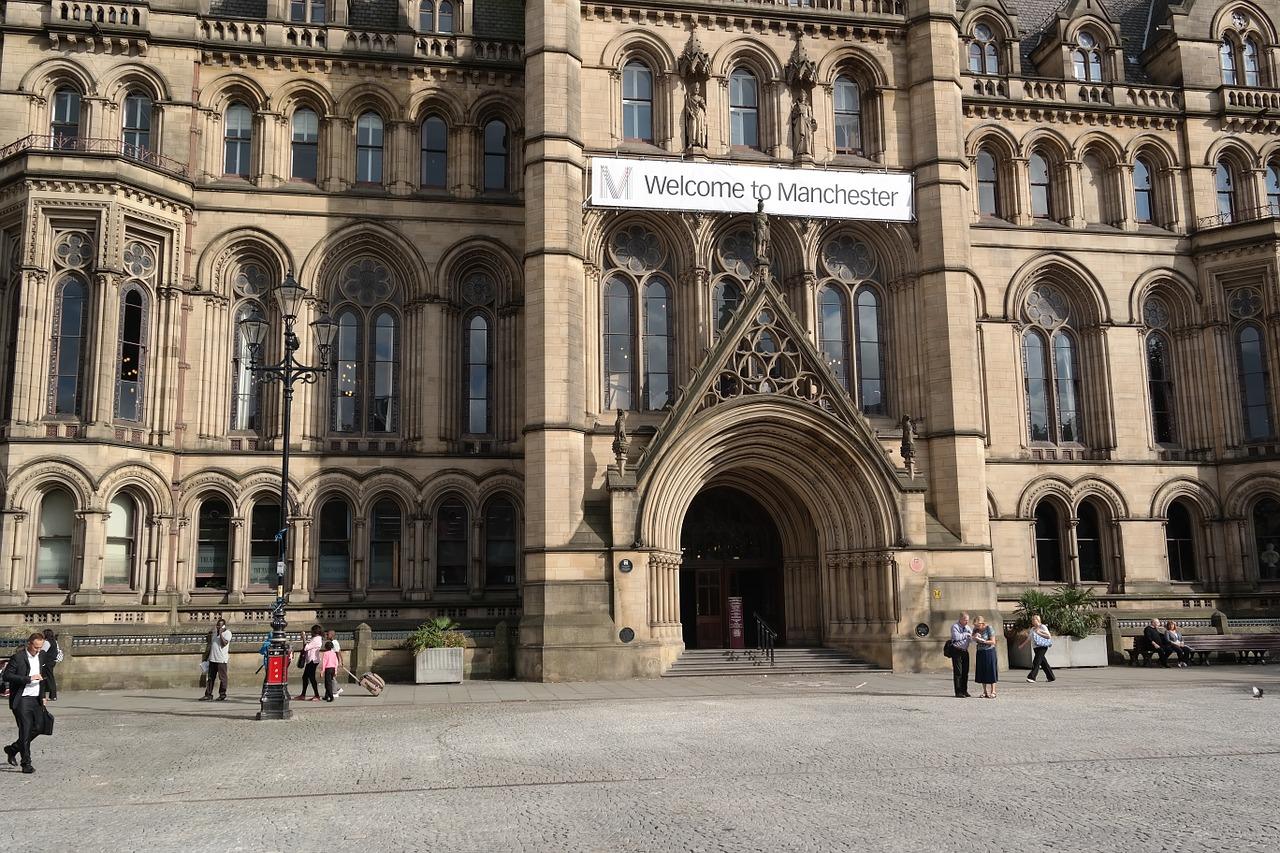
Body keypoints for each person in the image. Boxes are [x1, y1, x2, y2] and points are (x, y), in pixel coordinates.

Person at [2, 632, 52, 773]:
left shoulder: (42, 656)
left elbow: (44, 677)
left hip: (36, 698)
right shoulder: (18, 658)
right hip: (22, 699)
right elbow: (7, 676)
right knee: (25, 730)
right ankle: (26, 764)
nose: (38, 650)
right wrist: (28, 679)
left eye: (40, 647)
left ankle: (13, 749)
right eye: (36, 647)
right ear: (29, 644)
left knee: (39, 727)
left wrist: (43, 695)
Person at [200, 618, 232, 701]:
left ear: (224, 626)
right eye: (217, 626)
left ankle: (222, 694)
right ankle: (208, 694)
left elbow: (224, 643)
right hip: (212, 659)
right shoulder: (214, 634)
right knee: (210, 678)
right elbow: (211, 646)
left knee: (223, 678)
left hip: (221, 660)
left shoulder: (227, 633)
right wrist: (207, 658)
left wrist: (221, 634)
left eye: (220, 626)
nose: (218, 627)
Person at [1022, 614, 1056, 683]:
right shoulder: (1032, 629)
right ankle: (1051, 677)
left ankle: (1032, 677)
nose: (1032, 621)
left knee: (1036, 662)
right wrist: (1022, 645)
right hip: (1036, 647)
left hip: (1042, 647)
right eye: (1032, 620)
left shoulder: (1042, 627)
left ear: (1037, 620)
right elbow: (1029, 638)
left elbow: (1048, 636)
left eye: (1034, 620)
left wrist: (1039, 632)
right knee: (1043, 663)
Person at [973, 615, 999, 698]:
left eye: (978, 625)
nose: (977, 627)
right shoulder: (976, 629)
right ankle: (985, 691)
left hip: (989, 651)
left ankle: (993, 691)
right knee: (982, 671)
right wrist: (975, 637)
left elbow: (993, 641)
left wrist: (983, 641)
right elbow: (972, 638)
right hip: (980, 652)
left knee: (991, 670)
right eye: (975, 625)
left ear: (982, 623)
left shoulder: (989, 628)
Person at [296, 625, 323, 702]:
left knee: (311, 678)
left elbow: (306, 647)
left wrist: (304, 637)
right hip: (310, 660)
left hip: (313, 660)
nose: (311, 633)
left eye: (312, 631)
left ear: (314, 631)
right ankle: (303, 694)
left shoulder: (317, 639)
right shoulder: (315, 639)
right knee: (305, 677)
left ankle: (317, 695)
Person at [949, 613, 973, 698]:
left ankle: (964, 690)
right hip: (957, 651)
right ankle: (958, 691)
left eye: (967, 620)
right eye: (965, 620)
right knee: (958, 672)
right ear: (961, 619)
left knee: (965, 672)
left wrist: (974, 637)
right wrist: (966, 634)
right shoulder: (955, 626)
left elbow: (971, 638)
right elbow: (956, 637)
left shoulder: (967, 627)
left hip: (965, 651)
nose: (967, 622)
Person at [40, 629, 63, 701]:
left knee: (45, 678)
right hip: (52, 661)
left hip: (47, 662)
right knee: (50, 678)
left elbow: (43, 652)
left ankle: (48, 695)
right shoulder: (54, 641)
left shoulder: (47, 642)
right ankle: (53, 695)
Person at [325, 630, 344, 698]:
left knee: (332, 678)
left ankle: (335, 692)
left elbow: (338, 652)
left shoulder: (334, 643)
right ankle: (338, 689)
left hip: (333, 662)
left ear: (332, 635)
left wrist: (340, 662)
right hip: (332, 662)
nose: (326, 635)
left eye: (328, 634)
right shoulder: (332, 642)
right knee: (332, 677)